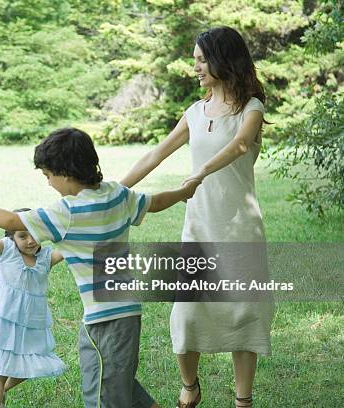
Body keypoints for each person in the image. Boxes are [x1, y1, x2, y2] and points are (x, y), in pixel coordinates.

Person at [0, 127, 201, 408]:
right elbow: (156, 202)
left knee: (104, 394)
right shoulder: (117, 194)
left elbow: (9, 222)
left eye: (48, 176)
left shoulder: (66, 212)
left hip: (105, 319)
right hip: (124, 313)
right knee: (119, 381)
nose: (48, 183)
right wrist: (182, 192)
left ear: (65, 174)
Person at [121, 26, 274, 408]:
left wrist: (201, 171)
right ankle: (190, 385)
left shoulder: (251, 108)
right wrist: (114, 191)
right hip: (199, 226)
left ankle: (243, 400)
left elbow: (240, 144)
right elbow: (155, 154)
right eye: (195, 61)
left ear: (223, 60)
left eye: (202, 60)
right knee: (187, 313)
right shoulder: (194, 112)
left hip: (240, 227)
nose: (196, 68)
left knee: (244, 312)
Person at [0, 210, 66, 408]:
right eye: (22, 236)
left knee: (32, 364)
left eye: (34, 234)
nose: (30, 241)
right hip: (5, 323)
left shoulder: (46, 258)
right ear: (11, 237)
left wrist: (90, 223)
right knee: (1, 372)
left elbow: (72, 247)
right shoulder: (6, 251)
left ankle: (2, 392)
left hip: (30, 326)